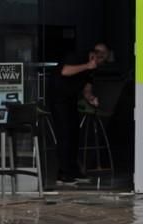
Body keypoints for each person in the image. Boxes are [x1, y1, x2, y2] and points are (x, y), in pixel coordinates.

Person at [53, 44, 110, 183]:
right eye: (102, 58)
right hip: (58, 97)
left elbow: (87, 89)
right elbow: (65, 71)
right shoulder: (77, 56)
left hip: (71, 99)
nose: (101, 62)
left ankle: (73, 170)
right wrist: (87, 66)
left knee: (74, 133)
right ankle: (63, 173)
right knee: (64, 133)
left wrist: (91, 98)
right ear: (96, 55)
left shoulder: (92, 69)